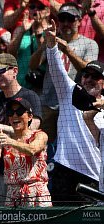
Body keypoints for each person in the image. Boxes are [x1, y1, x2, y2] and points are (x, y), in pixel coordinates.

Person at [0, 53, 43, 206]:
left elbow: (32, 129)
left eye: (1, 71)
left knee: (27, 219)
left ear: (15, 71)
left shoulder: (30, 96)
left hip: (24, 172)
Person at [44, 20, 101, 204]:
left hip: (94, 176)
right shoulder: (69, 91)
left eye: (96, 77)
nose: (89, 79)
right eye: (86, 75)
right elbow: (56, 69)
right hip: (64, 170)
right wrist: (52, 44)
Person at [33, 3, 99, 142]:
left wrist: (67, 50)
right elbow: (33, 65)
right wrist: (45, 44)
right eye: (62, 19)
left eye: (70, 19)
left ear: (79, 20)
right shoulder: (52, 41)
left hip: (74, 106)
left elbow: (89, 70)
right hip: (49, 103)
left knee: (71, 146)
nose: (66, 23)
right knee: (46, 146)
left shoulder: (89, 44)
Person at [0, 98, 51, 207]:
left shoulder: (40, 135)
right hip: (13, 194)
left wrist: (10, 141)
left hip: (36, 193)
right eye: (11, 113)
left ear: (30, 116)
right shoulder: (5, 139)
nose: (14, 116)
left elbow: (32, 149)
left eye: (19, 112)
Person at [8, 0, 50, 90]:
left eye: (40, 7)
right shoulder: (21, 29)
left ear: (48, 12)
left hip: (41, 87)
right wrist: (22, 32)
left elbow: (43, 57)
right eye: (32, 7)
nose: (36, 10)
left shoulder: (51, 31)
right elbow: (10, 53)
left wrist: (38, 31)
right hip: (20, 85)